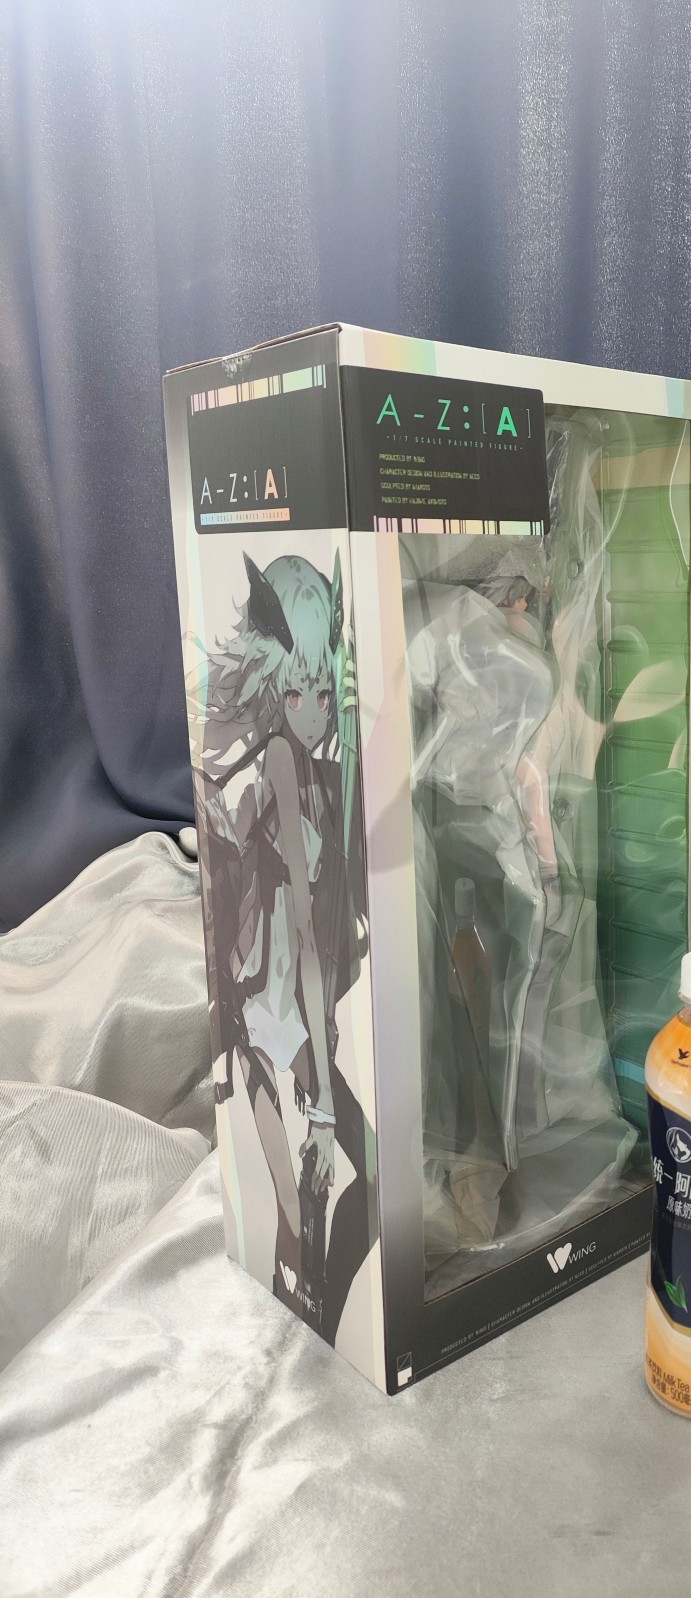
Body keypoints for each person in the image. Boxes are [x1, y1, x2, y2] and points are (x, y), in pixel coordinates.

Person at [191, 550, 370, 1344]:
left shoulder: (311, 768)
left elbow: (324, 925)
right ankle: (308, 1337)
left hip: (289, 1019)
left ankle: (314, 1325)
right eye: (297, 693)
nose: (313, 710)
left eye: (322, 693)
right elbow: (301, 929)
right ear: (272, 686)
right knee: (299, 1224)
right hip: (271, 1024)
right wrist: (323, 1108)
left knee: (310, 1226)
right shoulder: (279, 763)